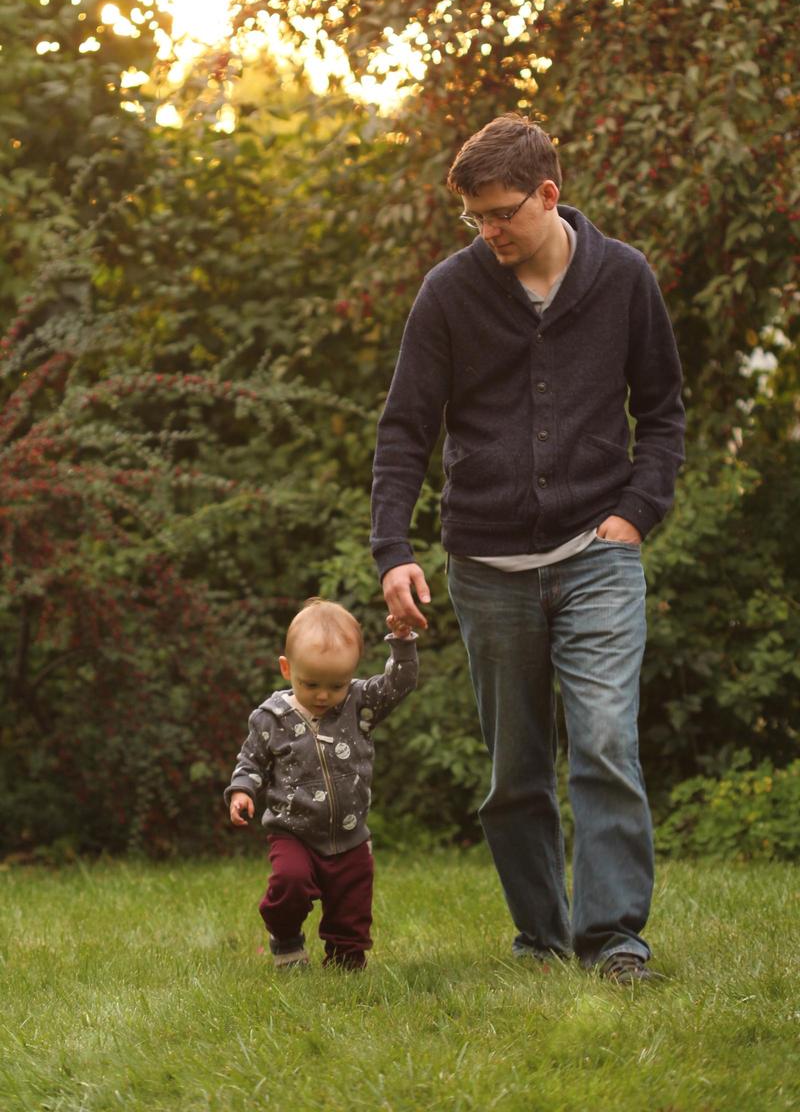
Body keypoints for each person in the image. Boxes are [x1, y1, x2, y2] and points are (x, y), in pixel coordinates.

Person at [371, 113, 685, 984]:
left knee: (606, 745)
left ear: (550, 194)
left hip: (598, 553)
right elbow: (404, 431)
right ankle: (542, 938)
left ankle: (614, 939)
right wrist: (392, 548)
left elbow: (662, 413)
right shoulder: (449, 292)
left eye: (502, 212)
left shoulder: (623, 279)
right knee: (514, 772)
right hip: (488, 568)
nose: (488, 231)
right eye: (474, 217)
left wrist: (634, 517)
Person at [225, 598, 418, 970]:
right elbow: (251, 761)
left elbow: (401, 683)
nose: (324, 695)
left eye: (337, 684)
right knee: (290, 884)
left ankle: (346, 960)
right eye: (310, 683)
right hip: (293, 830)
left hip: (349, 834)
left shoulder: (359, 703)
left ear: (352, 674)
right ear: (286, 668)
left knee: (352, 903)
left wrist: (403, 641)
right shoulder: (270, 719)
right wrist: (241, 791)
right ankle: (285, 938)